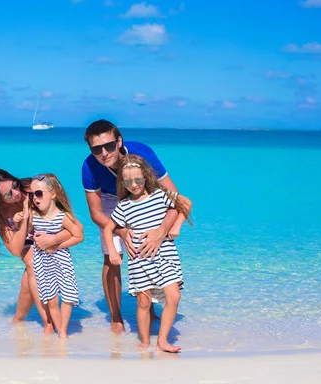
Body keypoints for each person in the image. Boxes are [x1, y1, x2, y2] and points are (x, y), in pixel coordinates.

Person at [81, 119, 181, 333]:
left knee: (149, 248)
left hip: (141, 193)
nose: (104, 153)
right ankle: (116, 317)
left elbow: (175, 197)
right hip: (110, 198)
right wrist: (121, 231)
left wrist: (162, 231)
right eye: (96, 149)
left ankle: (150, 309)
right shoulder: (89, 166)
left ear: (119, 142)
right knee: (111, 255)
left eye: (108, 146)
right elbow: (96, 213)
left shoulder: (142, 153)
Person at [103, 154, 192, 352]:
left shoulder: (160, 196)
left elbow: (185, 203)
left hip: (165, 255)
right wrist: (113, 252)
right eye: (127, 181)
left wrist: (176, 226)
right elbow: (108, 229)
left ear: (146, 177)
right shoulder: (124, 206)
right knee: (143, 301)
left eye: (138, 180)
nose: (133, 185)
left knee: (174, 296)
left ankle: (162, 340)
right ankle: (145, 341)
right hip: (139, 260)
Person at [0, 168, 77, 334]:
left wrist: (53, 240)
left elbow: (71, 225)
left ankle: (18, 320)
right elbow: (16, 250)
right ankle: (48, 323)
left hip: (49, 233)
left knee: (27, 284)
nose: (16, 193)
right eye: (8, 194)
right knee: (32, 263)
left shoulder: (33, 188)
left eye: (15, 185)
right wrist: (25, 218)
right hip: (23, 239)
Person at [15, 173, 84, 339]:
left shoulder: (63, 217)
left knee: (67, 297)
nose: (35, 198)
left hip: (62, 261)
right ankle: (59, 331)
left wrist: (56, 245)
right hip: (42, 263)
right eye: (32, 195)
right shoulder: (34, 216)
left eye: (39, 193)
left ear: (53, 194)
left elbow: (79, 236)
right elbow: (24, 230)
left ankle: (63, 331)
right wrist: (19, 218)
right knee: (51, 299)